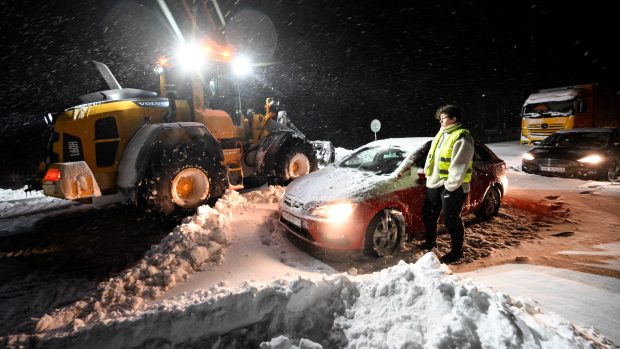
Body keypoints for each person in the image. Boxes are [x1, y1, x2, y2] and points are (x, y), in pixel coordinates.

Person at [418, 105, 474, 264]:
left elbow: (459, 166)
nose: (440, 121)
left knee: (451, 219)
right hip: (436, 182)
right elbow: (432, 157)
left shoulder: (463, 138)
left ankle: (457, 252)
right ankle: (430, 241)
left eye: (444, 118)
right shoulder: (441, 134)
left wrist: (450, 186)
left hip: (453, 186)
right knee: (428, 212)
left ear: (454, 119)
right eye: (440, 118)